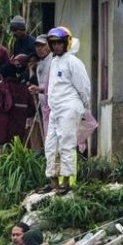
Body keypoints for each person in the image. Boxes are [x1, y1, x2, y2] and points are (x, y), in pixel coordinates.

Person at [44, 26, 91, 193]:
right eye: (53, 43)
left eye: (59, 43)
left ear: (66, 43)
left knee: (66, 143)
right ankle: (53, 180)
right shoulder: (54, 61)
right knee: (51, 145)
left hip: (69, 107)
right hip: (55, 109)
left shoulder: (74, 62)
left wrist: (83, 108)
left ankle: (66, 180)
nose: (56, 46)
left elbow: (84, 88)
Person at [0, 64, 35, 154]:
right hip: (17, 136)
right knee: (14, 161)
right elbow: (31, 111)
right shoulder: (24, 90)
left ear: (1, 76)